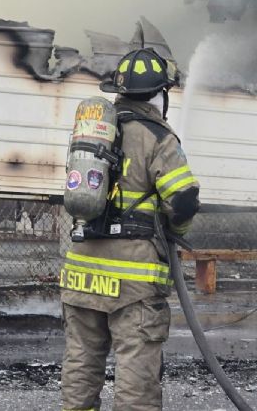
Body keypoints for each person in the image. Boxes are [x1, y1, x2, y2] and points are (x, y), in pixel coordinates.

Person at [60, 47, 200, 411]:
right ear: (159, 94)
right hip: (132, 281)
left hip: (81, 273)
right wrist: (176, 228)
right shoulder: (158, 137)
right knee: (136, 373)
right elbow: (183, 200)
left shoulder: (95, 133)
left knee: (81, 363)